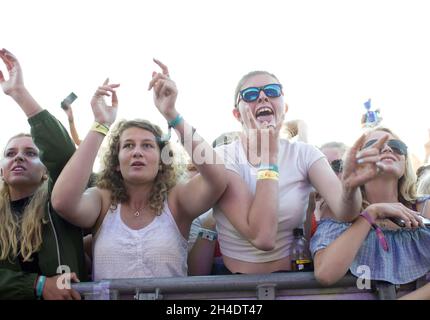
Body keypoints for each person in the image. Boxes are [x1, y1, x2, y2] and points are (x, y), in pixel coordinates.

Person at [51, 60, 227, 280]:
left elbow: (218, 178)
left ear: (162, 160)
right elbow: (62, 201)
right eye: (128, 146)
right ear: (116, 161)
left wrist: (172, 115)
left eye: (147, 145)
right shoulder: (103, 200)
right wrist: (100, 124)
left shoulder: (176, 200)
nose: (137, 152)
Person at [212, 70, 368, 275]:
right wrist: (269, 157)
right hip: (234, 287)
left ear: (284, 108)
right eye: (250, 94)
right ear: (237, 114)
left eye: (272, 91)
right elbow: (262, 238)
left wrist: (349, 189)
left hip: (294, 282)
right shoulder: (223, 156)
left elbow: (346, 212)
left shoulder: (305, 153)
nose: (262, 96)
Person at [0, 48, 86, 299]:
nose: (18, 156)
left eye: (30, 153)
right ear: (2, 171)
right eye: (10, 153)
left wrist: (19, 93)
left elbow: (65, 155)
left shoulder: (58, 202)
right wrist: (37, 285)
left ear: (46, 171)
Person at [311, 127, 430, 286]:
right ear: (356, 161)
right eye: (376, 146)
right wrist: (371, 214)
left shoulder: (425, 207)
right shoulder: (337, 211)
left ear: (405, 160)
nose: (388, 148)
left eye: (396, 146)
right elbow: (326, 274)